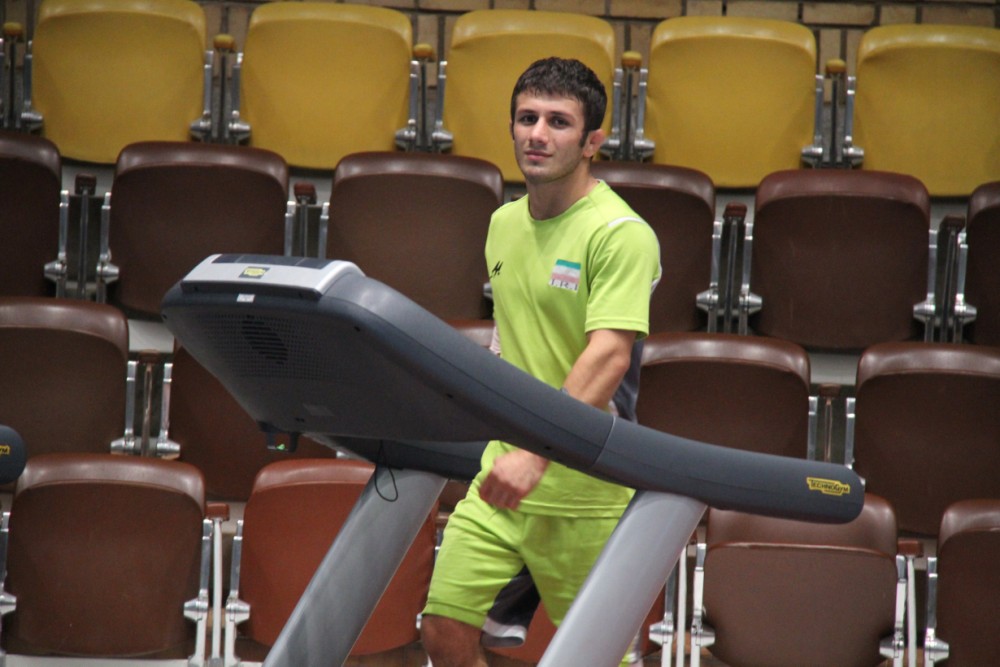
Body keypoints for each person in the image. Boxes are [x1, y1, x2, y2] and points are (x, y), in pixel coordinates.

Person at [420, 57, 661, 667]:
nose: (538, 133)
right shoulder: (502, 224)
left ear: (592, 142)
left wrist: (536, 454)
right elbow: (511, 340)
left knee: (598, 657)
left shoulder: (620, 233)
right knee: (443, 629)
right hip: (501, 476)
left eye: (558, 121)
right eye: (527, 118)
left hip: (585, 490)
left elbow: (609, 355)